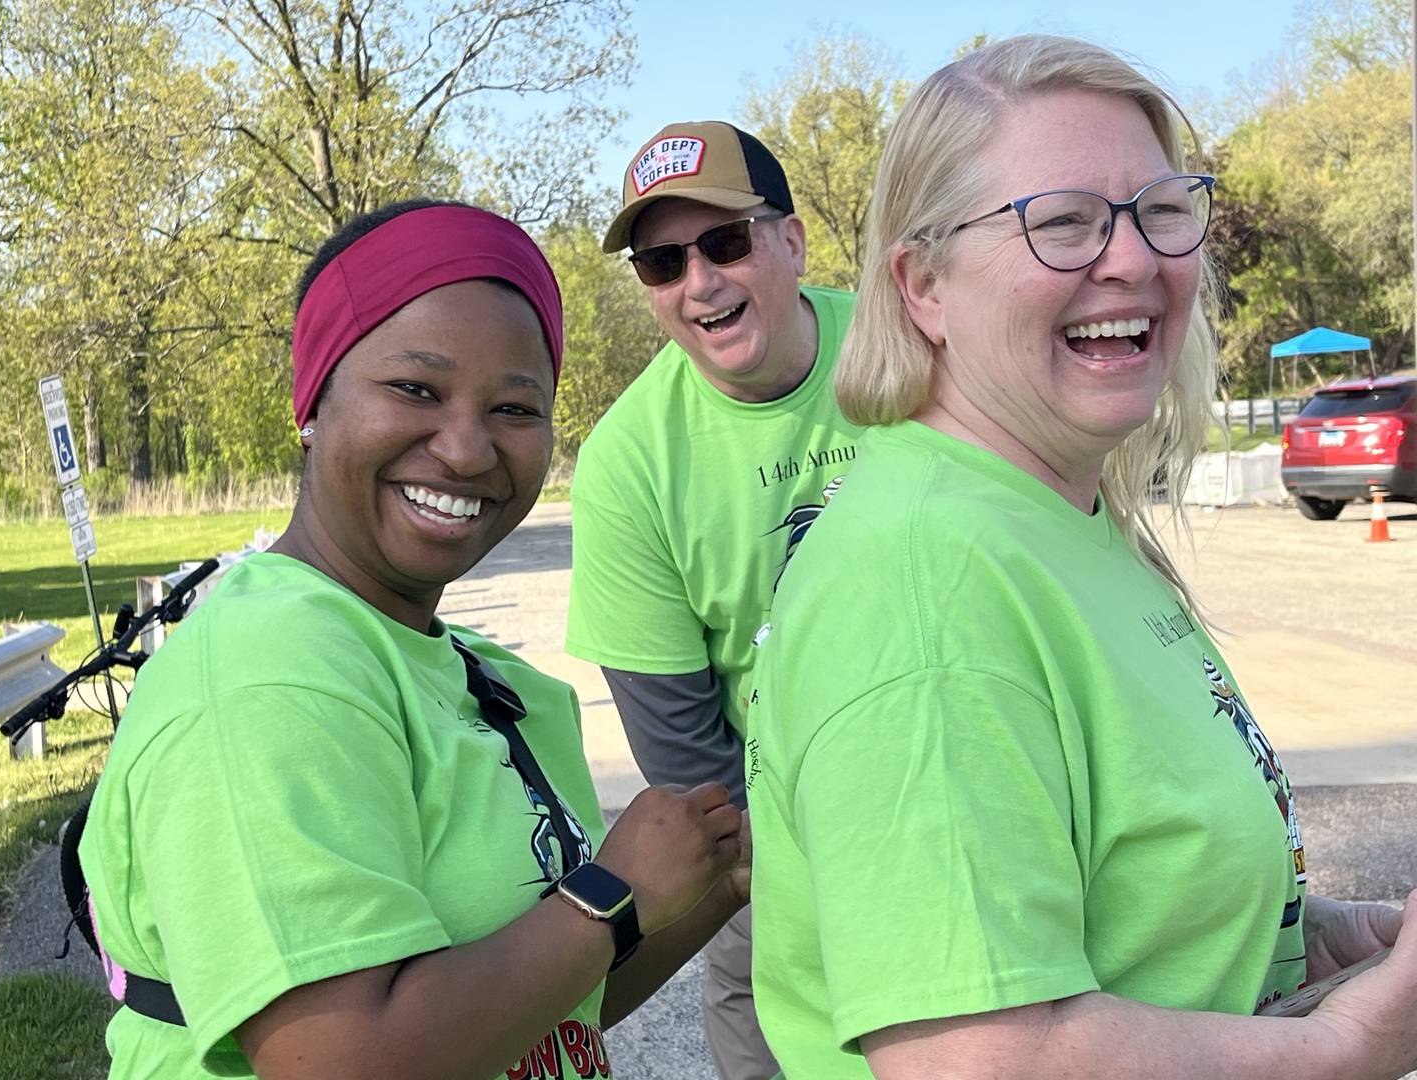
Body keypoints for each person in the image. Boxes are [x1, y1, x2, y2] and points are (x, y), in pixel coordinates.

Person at [745, 35, 1417, 1080]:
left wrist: (1304, 934)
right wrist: (1346, 1049)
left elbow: (1105, 884)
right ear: (924, 283)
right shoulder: (924, 581)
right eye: (1061, 222)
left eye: (1160, 209)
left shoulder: (1051, 514)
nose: (1134, 258)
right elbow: (980, 1057)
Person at [78, 199, 752, 1080]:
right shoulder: (266, 675)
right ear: (311, 398)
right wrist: (610, 896)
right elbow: (339, 1060)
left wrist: (726, 874)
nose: (469, 449)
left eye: (516, 407)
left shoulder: (494, 683)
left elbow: (548, 998)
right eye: (415, 389)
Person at [565, 120, 862, 1080]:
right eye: (662, 261)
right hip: (778, 850)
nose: (699, 282)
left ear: (794, 240)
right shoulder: (629, 464)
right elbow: (692, 764)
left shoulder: (906, 351)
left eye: (726, 241)